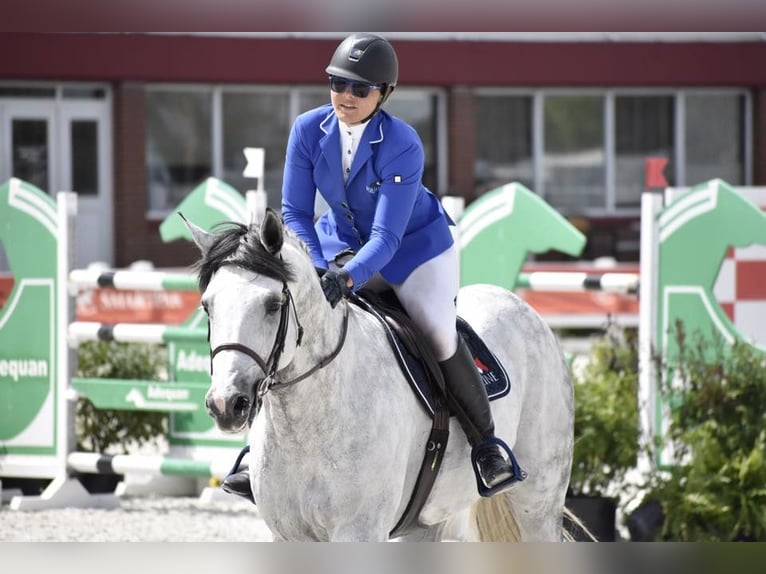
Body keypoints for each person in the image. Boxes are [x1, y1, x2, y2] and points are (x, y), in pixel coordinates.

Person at [223, 33, 514, 500]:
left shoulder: (402, 144)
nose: (347, 97)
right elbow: (295, 212)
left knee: (436, 330)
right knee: (295, 321)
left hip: (415, 249)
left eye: (361, 89)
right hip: (338, 243)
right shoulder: (307, 129)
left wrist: (345, 277)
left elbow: (387, 237)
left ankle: (486, 445)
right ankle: (255, 454)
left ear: (384, 94)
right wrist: (320, 269)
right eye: (338, 84)